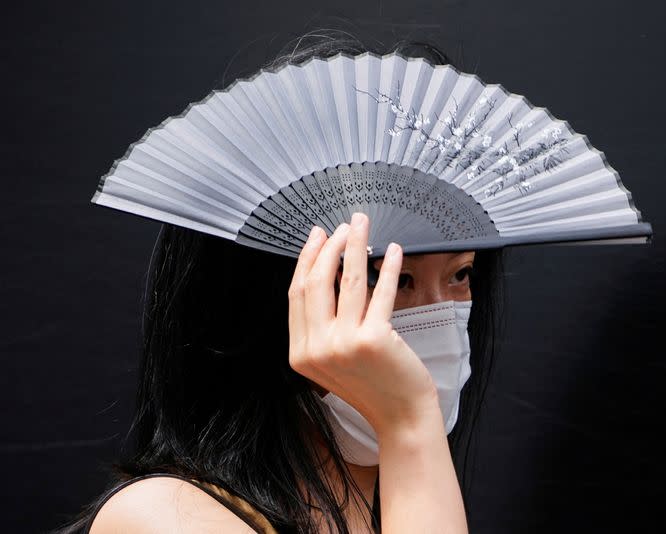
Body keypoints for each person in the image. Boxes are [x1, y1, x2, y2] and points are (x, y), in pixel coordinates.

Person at [53, 34, 505, 534]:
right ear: (274, 295)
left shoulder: (406, 501)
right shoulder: (162, 517)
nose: (439, 317)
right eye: (385, 279)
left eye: (461, 275)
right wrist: (410, 423)